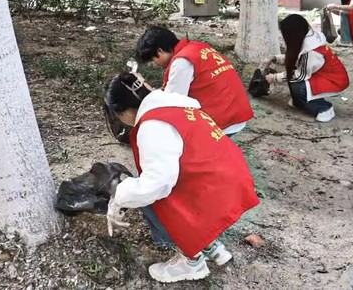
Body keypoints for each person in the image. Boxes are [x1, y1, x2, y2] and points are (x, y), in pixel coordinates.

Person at [103, 72, 259, 283]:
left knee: (152, 198)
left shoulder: (152, 126)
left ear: (123, 112)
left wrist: (119, 198)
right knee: (164, 185)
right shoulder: (177, 105)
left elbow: (157, 183)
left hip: (214, 194)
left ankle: (191, 260)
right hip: (231, 180)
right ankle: (208, 243)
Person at [136, 26, 253, 135]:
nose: (156, 64)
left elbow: (172, 103)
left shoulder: (181, 62)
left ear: (160, 51)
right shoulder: (198, 47)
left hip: (224, 121)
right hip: (237, 111)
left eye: (153, 60)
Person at [260, 14, 349, 123]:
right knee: (294, 81)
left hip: (334, 80)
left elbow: (300, 75)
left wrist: (274, 78)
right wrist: (275, 59)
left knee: (298, 86)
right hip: (326, 75)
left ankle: (324, 108)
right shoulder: (308, 38)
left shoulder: (310, 51)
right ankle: (300, 102)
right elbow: (297, 59)